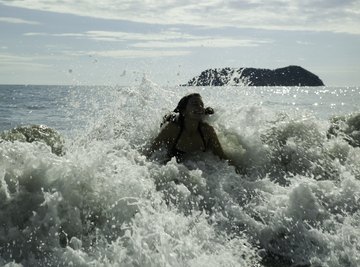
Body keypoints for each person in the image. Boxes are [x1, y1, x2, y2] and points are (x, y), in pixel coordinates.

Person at [146, 93, 238, 170]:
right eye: (195, 104)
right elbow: (150, 153)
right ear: (183, 111)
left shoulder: (207, 131)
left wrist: (240, 172)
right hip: (171, 168)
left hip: (199, 170)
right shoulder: (172, 129)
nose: (200, 107)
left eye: (201, 105)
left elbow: (222, 157)